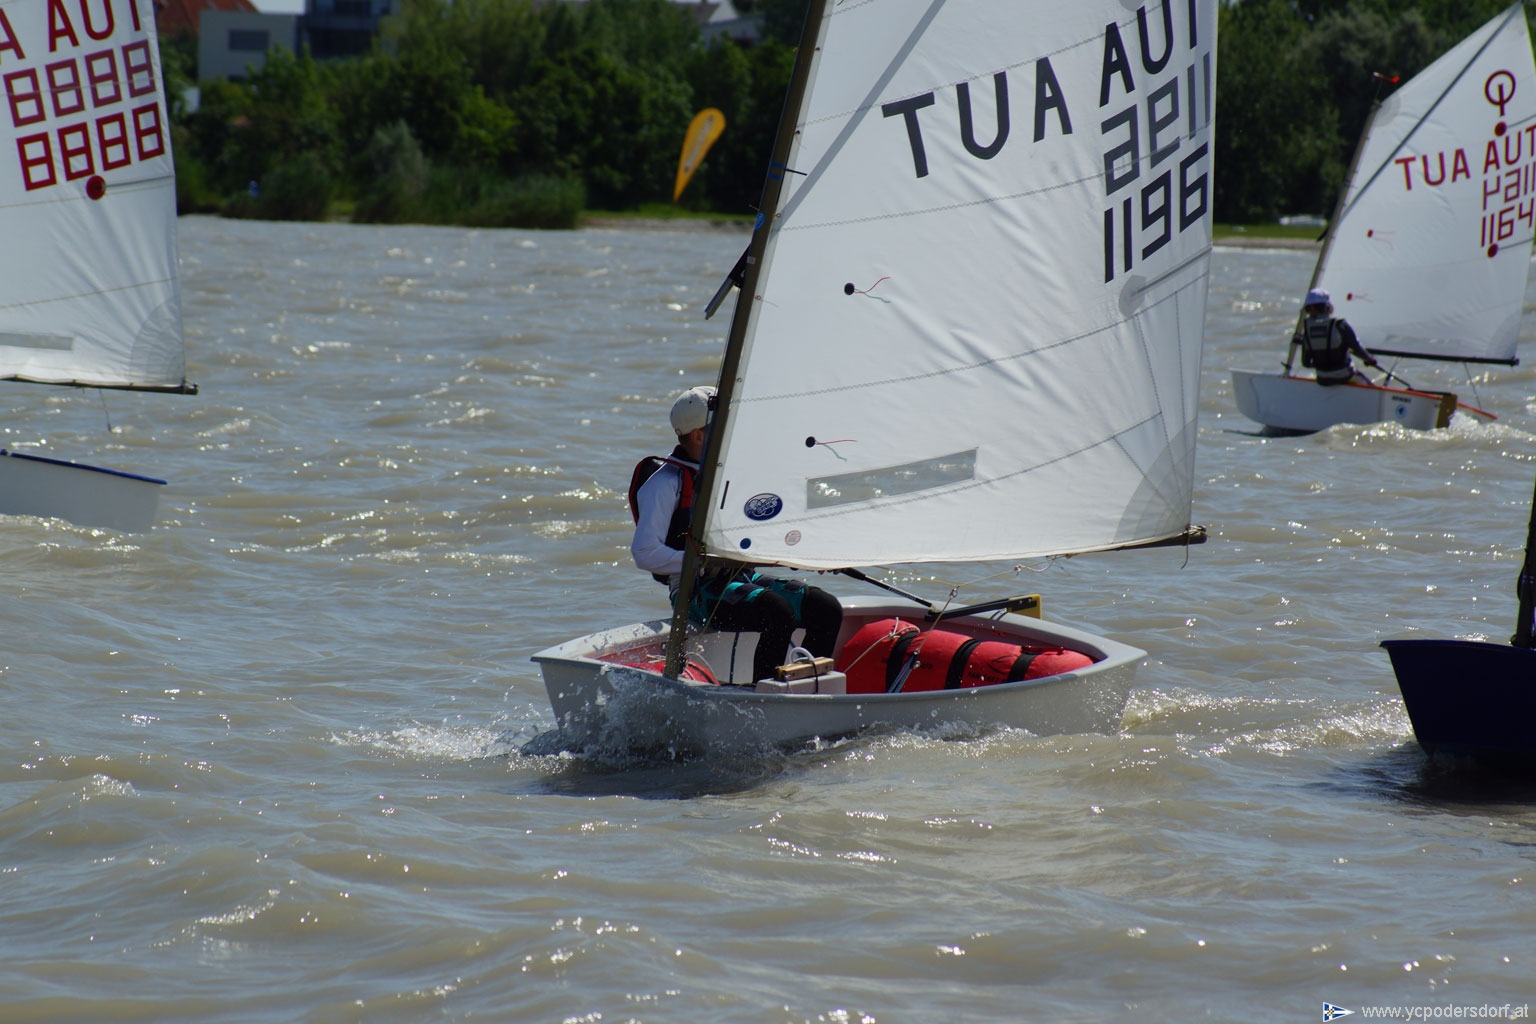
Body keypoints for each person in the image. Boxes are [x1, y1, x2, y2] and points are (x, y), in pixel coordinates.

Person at [629, 385, 842, 682]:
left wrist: (805, 554)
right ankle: (764, 697)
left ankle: (809, 688)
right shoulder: (665, 483)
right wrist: (701, 561)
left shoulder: (729, 474)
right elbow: (644, 553)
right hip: (695, 592)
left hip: (740, 578)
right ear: (698, 436)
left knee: (825, 608)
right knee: (777, 612)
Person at [1289, 287, 1379, 385]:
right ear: (1327, 307)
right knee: (1371, 386)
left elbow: (1306, 363)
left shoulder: (1307, 328)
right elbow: (1356, 347)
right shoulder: (1339, 324)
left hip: (1322, 378)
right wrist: (1370, 359)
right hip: (1345, 376)